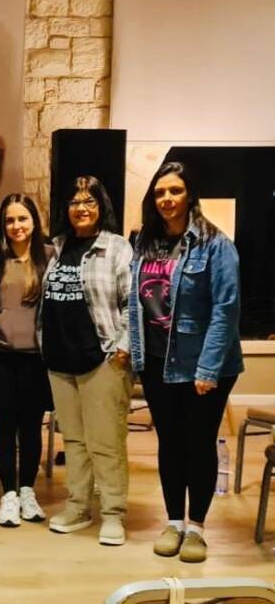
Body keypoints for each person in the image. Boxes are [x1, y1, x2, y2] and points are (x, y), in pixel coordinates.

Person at [129, 161, 242, 563]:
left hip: (203, 365)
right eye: (160, 192)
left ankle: (197, 527)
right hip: (157, 360)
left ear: (189, 194)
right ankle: (174, 521)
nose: (166, 199)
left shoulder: (216, 244)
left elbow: (226, 309)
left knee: (198, 443)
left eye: (174, 191)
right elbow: (135, 302)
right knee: (170, 443)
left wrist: (208, 369)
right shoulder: (145, 241)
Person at [39, 175, 133, 546]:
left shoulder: (116, 247)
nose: (81, 208)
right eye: (75, 201)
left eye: (89, 201)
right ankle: (78, 506)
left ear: (101, 206)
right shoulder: (56, 246)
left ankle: (113, 513)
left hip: (102, 359)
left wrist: (123, 349)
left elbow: (133, 303)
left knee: (105, 443)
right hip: (60, 360)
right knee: (75, 441)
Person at [0, 194, 53, 528]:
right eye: (9, 220)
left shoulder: (50, 257)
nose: (16, 226)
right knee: (6, 426)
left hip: (36, 357)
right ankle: (8, 494)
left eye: (22, 218)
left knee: (31, 426)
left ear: (34, 221)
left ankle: (27, 491)